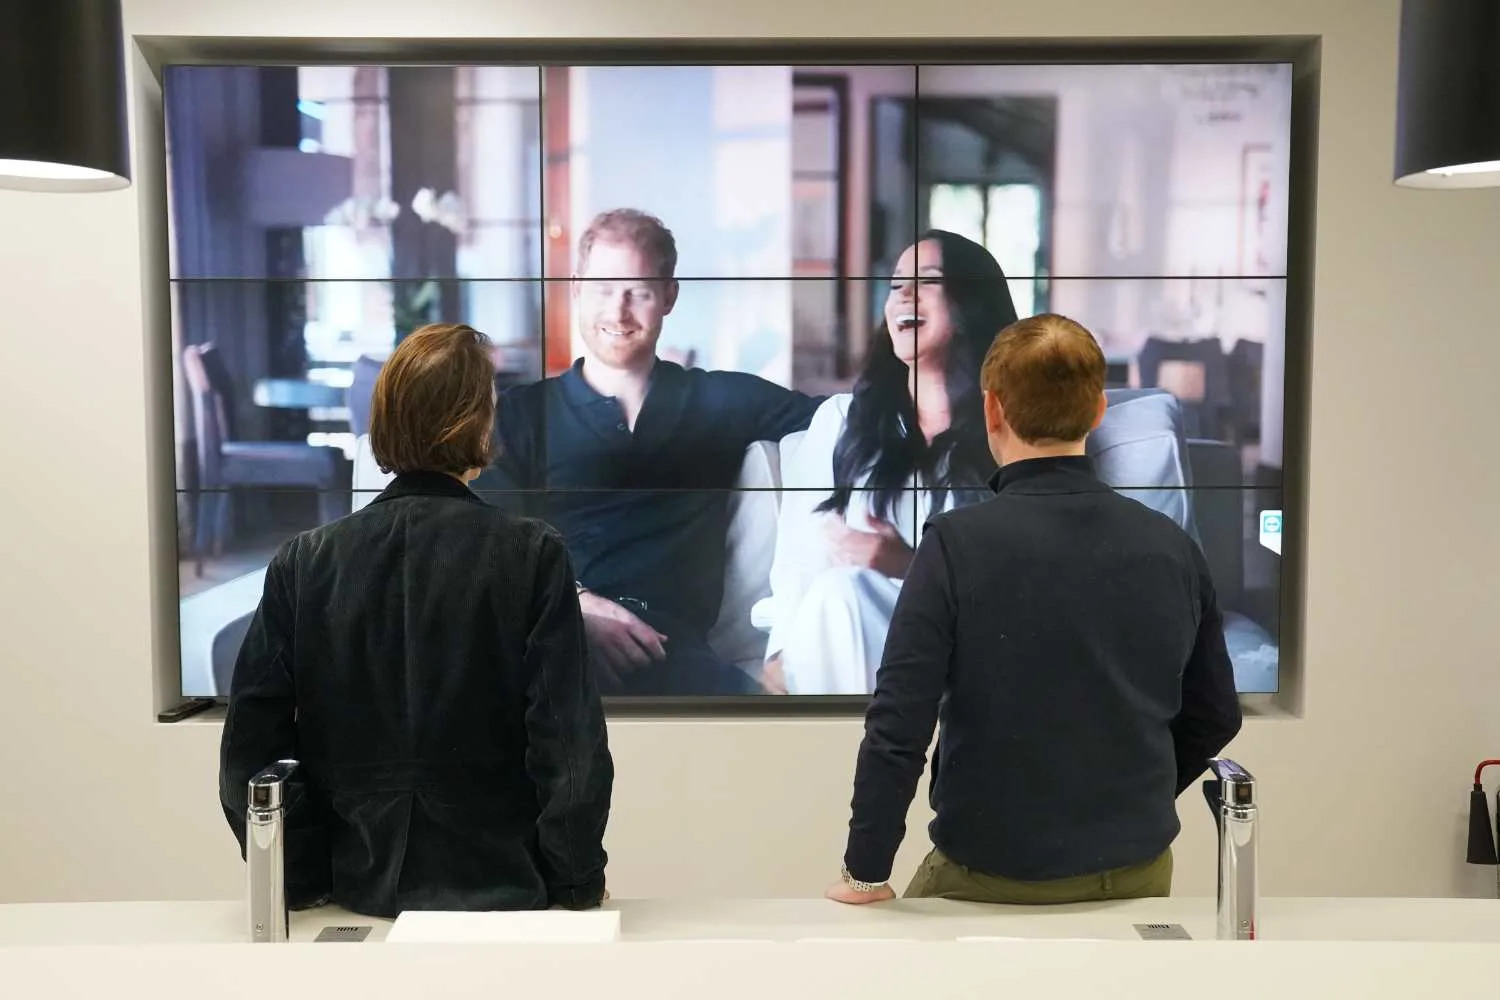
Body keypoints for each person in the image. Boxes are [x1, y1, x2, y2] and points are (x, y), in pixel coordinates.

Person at [826, 313, 1242, 906]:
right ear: (1098, 411)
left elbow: (899, 725)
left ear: (992, 410)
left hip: (985, 878)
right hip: (1137, 875)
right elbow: (1215, 716)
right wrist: (1128, 801)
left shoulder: (952, 544)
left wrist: (864, 873)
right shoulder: (1173, 547)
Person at [220, 323, 612, 919]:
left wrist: (300, 877)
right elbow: (569, 746)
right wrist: (576, 882)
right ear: (478, 420)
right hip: (503, 893)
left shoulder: (305, 561)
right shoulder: (532, 553)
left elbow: (249, 754)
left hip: (352, 894)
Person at [474, 208, 823, 697]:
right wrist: (578, 607)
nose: (617, 312)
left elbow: (851, 420)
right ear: (576, 289)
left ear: (669, 296)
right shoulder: (521, 415)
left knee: (772, 732)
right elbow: (487, 540)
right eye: (602, 288)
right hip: (550, 640)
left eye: (636, 292)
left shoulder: (720, 401)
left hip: (669, 652)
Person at [761, 231, 1016, 695]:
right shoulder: (843, 423)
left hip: (978, 659)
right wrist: (781, 655)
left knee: (844, 596)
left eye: (927, 281)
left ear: (972, 302)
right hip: (853, 647)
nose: (904, 293)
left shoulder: (1017, 427)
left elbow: (1035, 583)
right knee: (840, 595)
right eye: (897, 283)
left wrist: (912, 567)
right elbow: (798, 564)